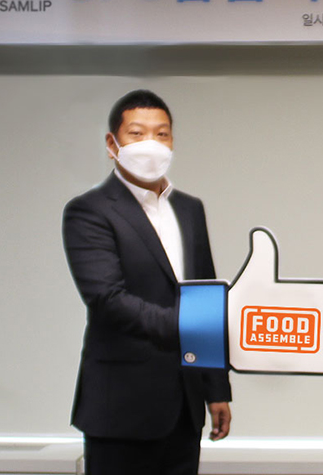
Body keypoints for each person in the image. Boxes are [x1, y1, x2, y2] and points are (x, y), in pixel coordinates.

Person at [63, 89, 232, 475]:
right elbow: (108, 299)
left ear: (172, 142)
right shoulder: (89, 211)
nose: (150, 144)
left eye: (161, 134)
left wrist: (216, 388)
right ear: (113, 144)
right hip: (120, 407)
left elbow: (204, 297)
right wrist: (186, 326)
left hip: (185, 406)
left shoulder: (189, 209)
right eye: (137, 134)